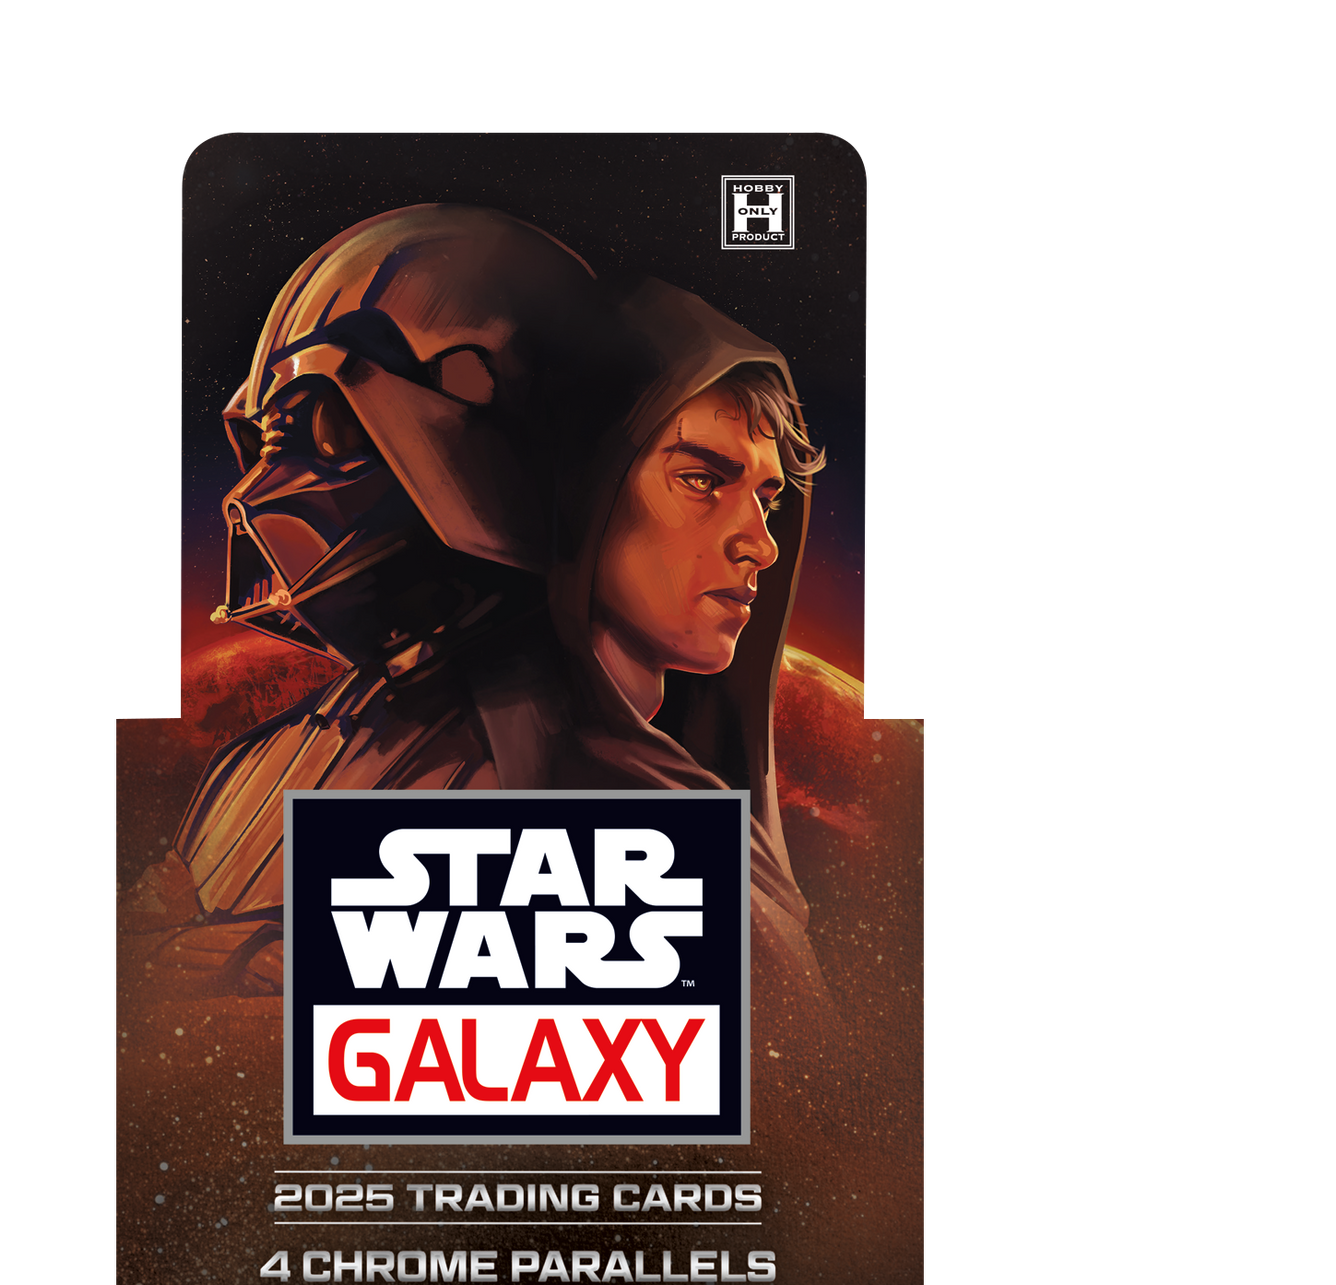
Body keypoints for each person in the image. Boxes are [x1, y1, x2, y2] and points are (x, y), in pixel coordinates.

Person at [157, 203, 831, 1037]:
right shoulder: (254, 768)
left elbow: (792, 1091)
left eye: (768, 496)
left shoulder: (655, 824)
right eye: (701, 479)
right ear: (585, 480)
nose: (761, 544)